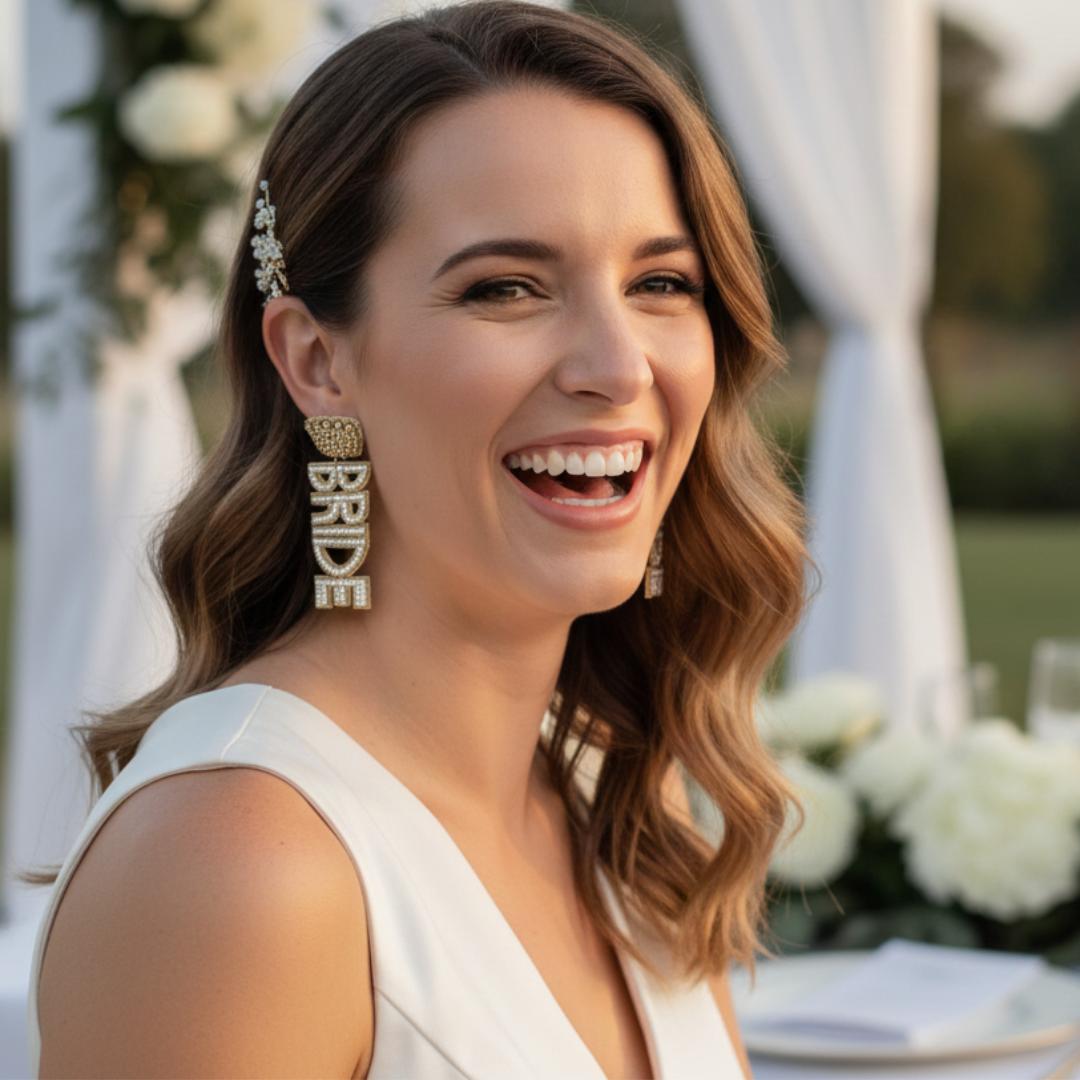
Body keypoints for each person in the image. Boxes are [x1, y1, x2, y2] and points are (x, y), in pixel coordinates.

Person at [30, 2, 806, 1076]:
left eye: (660, 284)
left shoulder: (623, 804)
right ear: (316, 362)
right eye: (505, 288)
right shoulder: (240, 864)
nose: (619, 367)